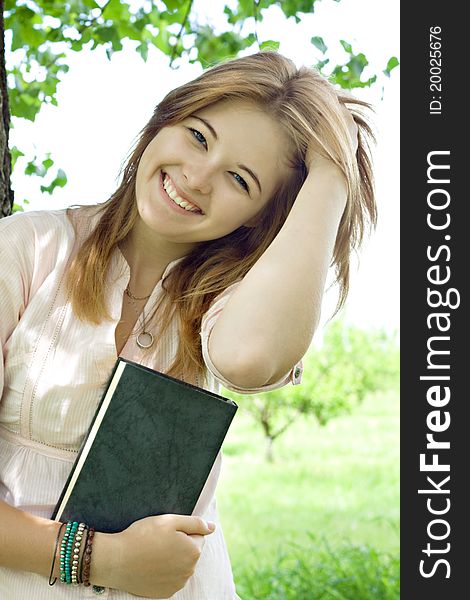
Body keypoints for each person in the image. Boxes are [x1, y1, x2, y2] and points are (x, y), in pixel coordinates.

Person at [0, 51, 376, 599]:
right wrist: (101, 558)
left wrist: (334, 174)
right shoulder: (28, 249)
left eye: (240, 179)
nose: (197, 178)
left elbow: (250, 358)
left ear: (263, 216)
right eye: (199, 137)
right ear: (164, 120)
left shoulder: (230, 301)